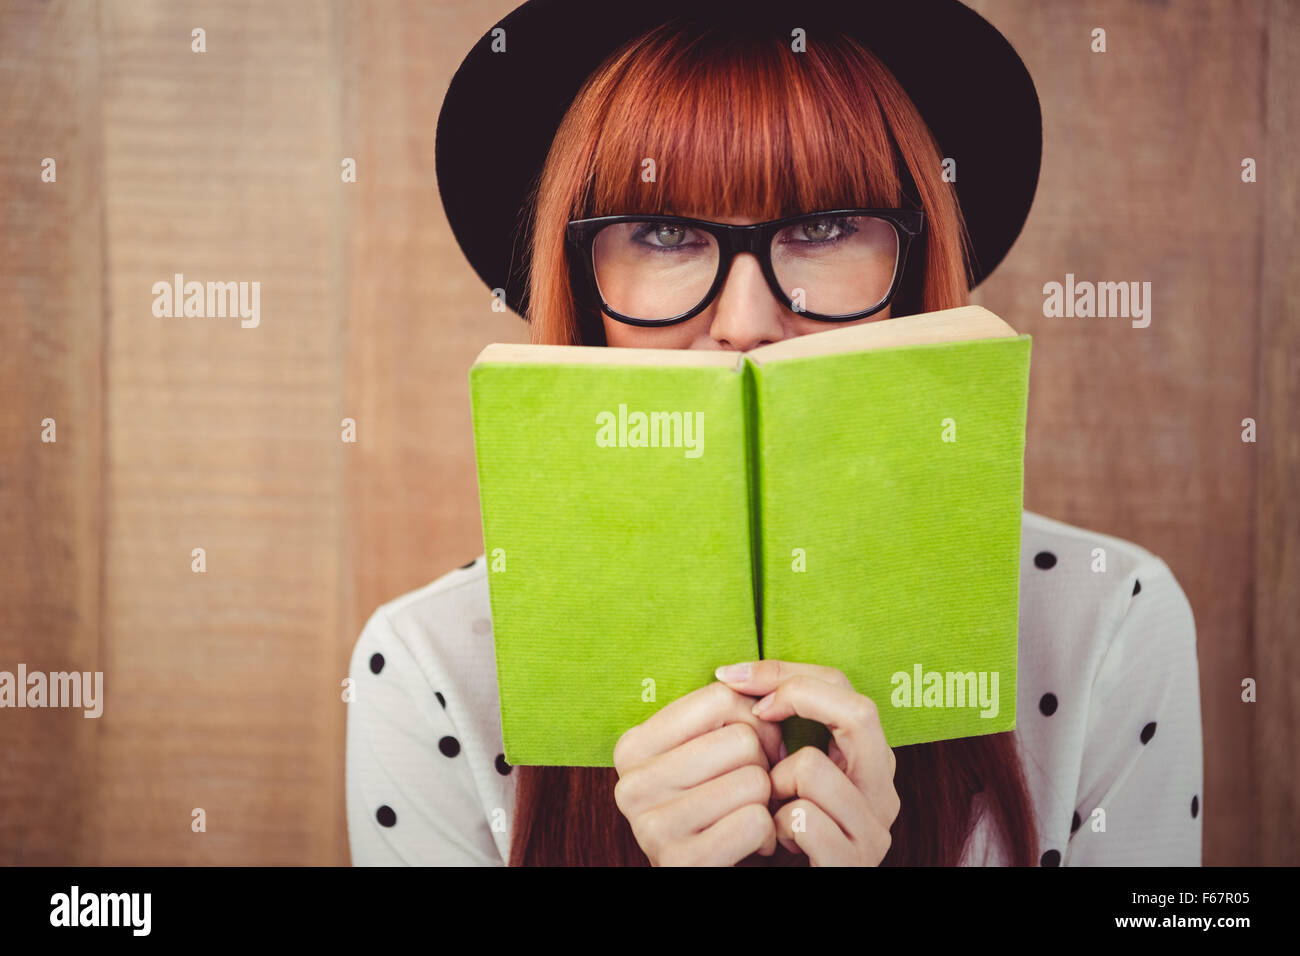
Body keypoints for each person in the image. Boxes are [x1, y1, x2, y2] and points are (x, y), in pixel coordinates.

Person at [345, 0, 1203, 866]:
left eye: (825, 226)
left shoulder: (1108, 625)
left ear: (913, 270)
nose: (745, 321)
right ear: (578, 279)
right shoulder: (431, 671)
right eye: (665, 231)